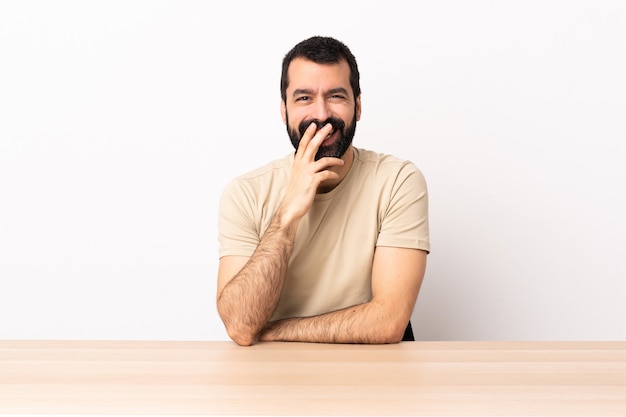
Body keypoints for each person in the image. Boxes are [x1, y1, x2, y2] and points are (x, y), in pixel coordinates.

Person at [216, 36, 430, 346]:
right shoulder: (245, 193)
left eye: (336, 96)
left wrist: (274, 331)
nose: (321, 114)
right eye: (304, 98)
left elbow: (389, 322)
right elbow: (239, 325)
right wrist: (287, 216)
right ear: (284, 110)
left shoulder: (398, 180)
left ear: (357, 106)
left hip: (376, 375)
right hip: (274, 377)